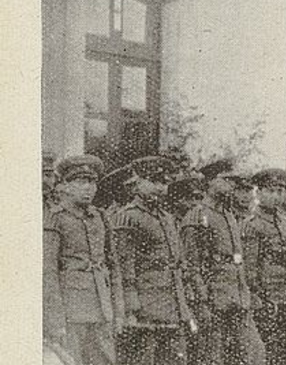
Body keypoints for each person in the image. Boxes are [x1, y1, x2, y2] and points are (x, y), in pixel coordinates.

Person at [108, 156, 197, 365]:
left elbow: (177, 262)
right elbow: (123, 267)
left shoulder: (166, 217)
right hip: (144, 307)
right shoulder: (127, 217)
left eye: (164, 182)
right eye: (154, 181)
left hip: (172, 305)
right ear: (138, 181)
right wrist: (130, 306)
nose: (160, 187)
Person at [180, 160, 264, 365]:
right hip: (213, 299)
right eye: (226, 180)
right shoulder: (198, 215)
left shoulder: (228, 215)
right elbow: (192, 265)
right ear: (210, 182)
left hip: (237, 297)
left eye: (233, 181)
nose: (231, 186)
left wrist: (245, 293)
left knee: (254, 354)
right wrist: (202, 301)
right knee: (212, 357)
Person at [43, 154, 119, 365]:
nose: (89, 188)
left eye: (92, 182)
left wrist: (117, 310)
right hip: (71, 312)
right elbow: (48, 272)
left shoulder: (100, 217)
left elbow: (113, 267)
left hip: (101, 308)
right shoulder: (55, 217)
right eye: (81, 181)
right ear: (65, 185)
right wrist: (54, 320)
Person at [243, 168, 286, 365]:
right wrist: (260, 298)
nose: (276, 196)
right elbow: (250, 269)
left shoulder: (284, 220)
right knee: (272, 351)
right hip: (269, 298)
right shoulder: (252, 224)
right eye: (271, 191)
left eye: (280, 191)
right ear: (259, 192)